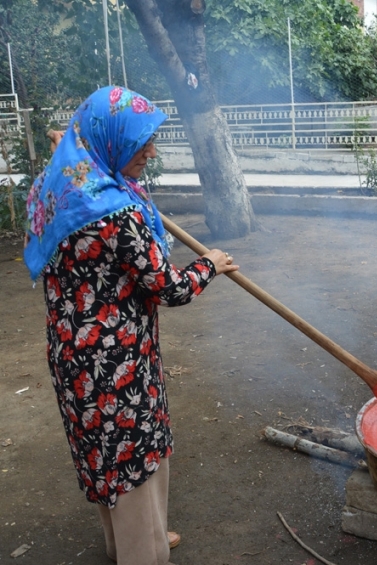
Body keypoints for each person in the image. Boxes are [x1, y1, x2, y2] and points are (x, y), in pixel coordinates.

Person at [24, 86, 239, 565]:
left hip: (72, 356)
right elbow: (170, 288)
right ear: (109, 140)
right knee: (134, 461)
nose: (151, 152)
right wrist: (211, 263)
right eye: (140, 141)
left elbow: (66, 159)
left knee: (104, 456)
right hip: (116, 363)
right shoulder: (117, 217)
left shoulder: (64, 182)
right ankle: (145, 550)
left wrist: (71, 143)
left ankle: (130, 540)